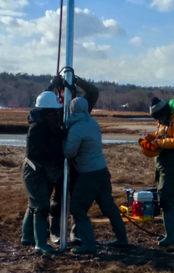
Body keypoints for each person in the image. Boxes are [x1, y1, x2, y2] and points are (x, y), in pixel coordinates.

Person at [63, 96, 128, 254]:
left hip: (88, 173)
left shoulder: (76, 129)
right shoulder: (93, 123)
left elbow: (69, 153)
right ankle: (122, 239)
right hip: (102, 170)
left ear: (72, 109)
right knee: (109, 207)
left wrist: (63, 141)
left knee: (77, 208)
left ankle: (88, 245)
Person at [46, 75, 100, 245]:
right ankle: (55, 231)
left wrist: (76, 80)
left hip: (78, 160)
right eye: (63, 91)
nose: (66, 95)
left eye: (70, 92)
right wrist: (51, 86)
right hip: (57, 158)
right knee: (58, 198)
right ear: (58, 93)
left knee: (77, 198)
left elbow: (93, 91)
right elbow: (40, 104)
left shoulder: (79, 108)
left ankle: (76, 233)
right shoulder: (52, 107)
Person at [144, 97, 174, 247]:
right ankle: (173, 234)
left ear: (164, 112)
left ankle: (170, 236)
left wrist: (157, 142)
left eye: (158, 116)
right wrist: (152, 137)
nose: (157, 119)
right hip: (162, 162)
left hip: (173, 162)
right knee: (167, 198)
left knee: (165, 197)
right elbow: (163, 135)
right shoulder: (163, 120)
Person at [21, 91, 64, 254]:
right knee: (40, 206)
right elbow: (50, 151)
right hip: (34, 171)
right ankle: (41, 244)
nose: (57, 115)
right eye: (54, 113)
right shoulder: (38, 129)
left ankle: (27, 237)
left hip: (38, 170)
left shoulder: (42, 123)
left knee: (34, 204)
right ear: (46, 113)